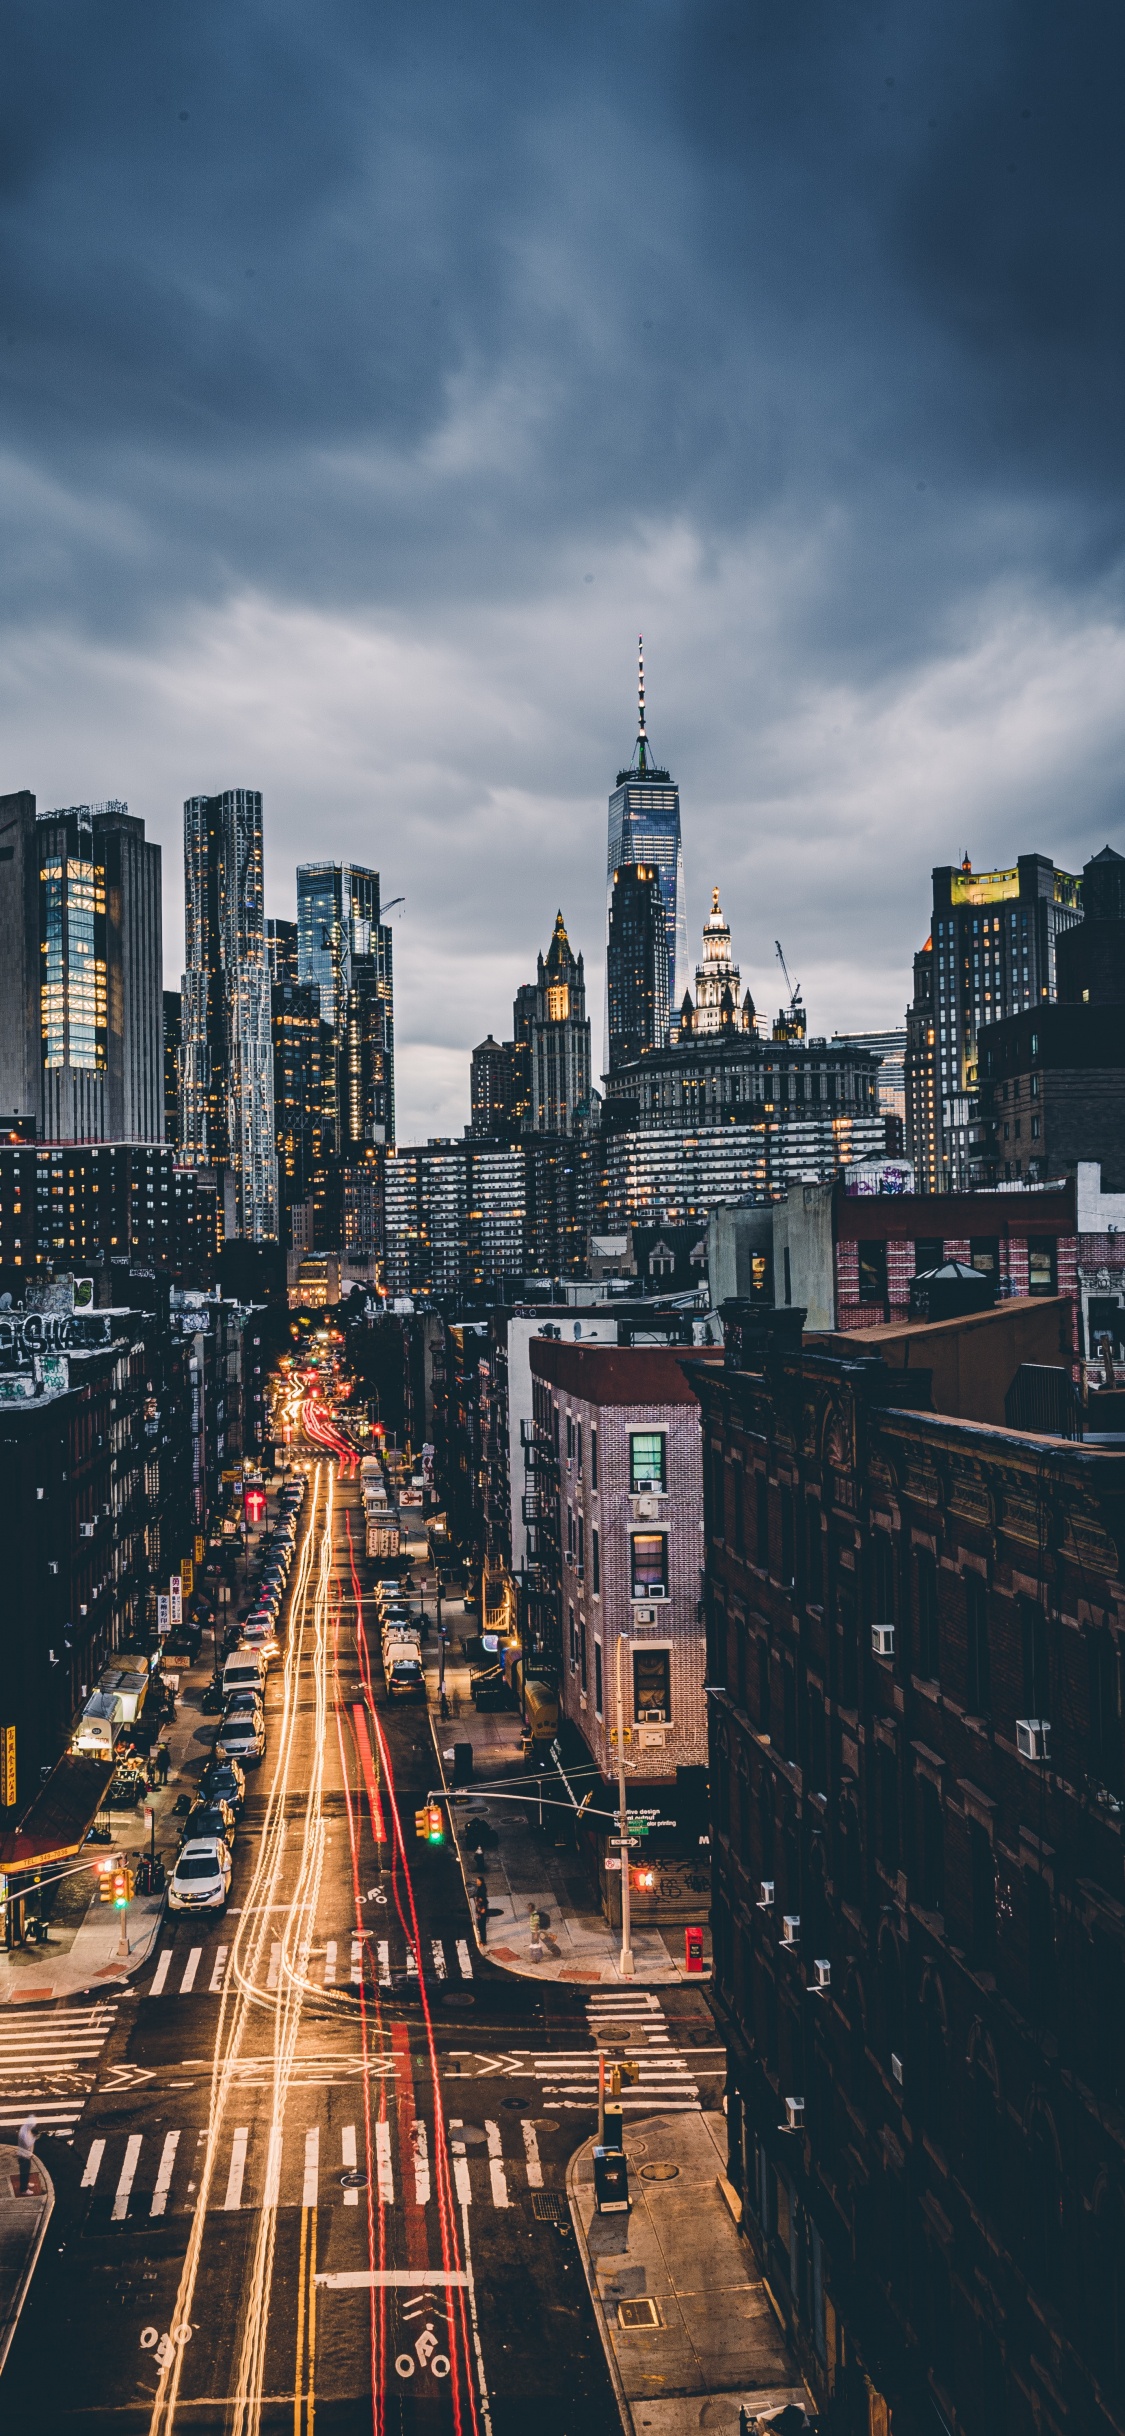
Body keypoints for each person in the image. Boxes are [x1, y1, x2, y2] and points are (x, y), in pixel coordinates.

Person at [16, 2113, 36, 2196]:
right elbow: (28, 2143)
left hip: (26, 2154)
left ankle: (26, 2183)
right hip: (24, 2156)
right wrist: (34, 2138)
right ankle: (23, 2189)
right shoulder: (25, 2132)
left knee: (26, 2172)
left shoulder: (25, 2128)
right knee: (24, 2173)